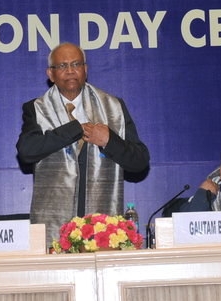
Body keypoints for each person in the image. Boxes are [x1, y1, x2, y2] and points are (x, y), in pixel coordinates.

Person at [16, 42, 150, 240]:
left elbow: (140, 162)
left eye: (76, 64)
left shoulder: (113, 106)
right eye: (62, 66)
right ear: (50, 74)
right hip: (55, 231)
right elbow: (27, 152)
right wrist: (75, 129)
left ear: (85, 70)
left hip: (102, 230)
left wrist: (109, 140)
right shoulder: (36, 108)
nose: (70, 70)